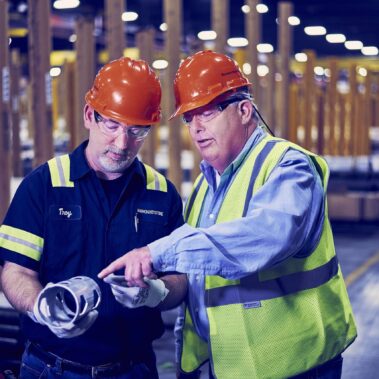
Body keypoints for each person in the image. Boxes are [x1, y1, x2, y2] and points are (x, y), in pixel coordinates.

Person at [98, 50, 357, 379]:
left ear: (245, 110)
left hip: (295, 366)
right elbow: (195, 283)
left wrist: (156, 252)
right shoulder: (204, 188)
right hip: (224, 366)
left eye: (207, 113)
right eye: (190, 118)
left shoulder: (288, 166)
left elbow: (266, 236)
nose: (197, 128)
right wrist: (151, 292)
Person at [0, 56, 186, 378]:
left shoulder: (161, 194)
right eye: (112, 125)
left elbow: (181, 280)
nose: (122, 143)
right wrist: (42, 307)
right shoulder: (44, 185)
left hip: (133, 368)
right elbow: (15, 272)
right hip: (50, 367)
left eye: (136, 130)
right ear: (90, 115)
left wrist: (153, 292)